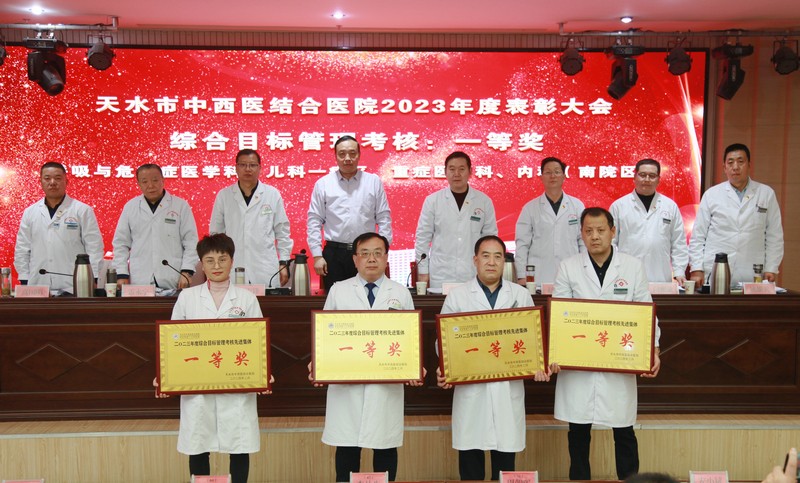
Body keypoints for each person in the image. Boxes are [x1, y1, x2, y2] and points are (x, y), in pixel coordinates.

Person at [550, 207, 661, 481]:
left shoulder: (632, 267)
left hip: (618, 361)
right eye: (588, 231)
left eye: (601, 230)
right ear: (581, 234)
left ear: (613, 231)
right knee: (578, 432)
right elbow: (559, 316)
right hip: (579, 363)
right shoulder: (569, 267)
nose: (595, 236)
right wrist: (555, 352)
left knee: (624, 431)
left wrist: (653, 350)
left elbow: (646, 313)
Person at [437, 235, 549, 481]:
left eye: (498, 257)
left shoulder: (520, 295)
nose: (491, 262)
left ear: (504, 262)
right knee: (471, 464)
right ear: (475, 260)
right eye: (485, 256)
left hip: (506, 391)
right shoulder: (458, 296)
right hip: (471, 392)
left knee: (505, 463)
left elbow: (533, 341)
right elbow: (442, 341)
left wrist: (538, 365)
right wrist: (445, 365)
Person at [165, 233, 273, 483]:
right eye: (210, 260)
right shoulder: (187, 297)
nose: (216, 266)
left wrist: (263, 372)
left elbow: (258, 340)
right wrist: (165, 373)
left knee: (239, 444)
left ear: (232, 261)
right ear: (201, 265)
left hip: (237, 383)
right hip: (198, 385)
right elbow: (172, 342)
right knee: (198, 443)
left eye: (222, 259)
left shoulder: (246, 298)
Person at [309, 232, 418, 482]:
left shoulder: (400, 293)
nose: (371, 259)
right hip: (347, 389)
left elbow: (411, 338)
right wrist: (318, 362)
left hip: (385, 387)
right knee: (347, 449)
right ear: (355, 259)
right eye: (365, 254)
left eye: (378, 253)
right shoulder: (338, 291)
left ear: (387, 258)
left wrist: (415, 365)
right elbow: (323, 336)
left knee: (385, 448)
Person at [689, 143, 784, 287]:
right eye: (730, 162)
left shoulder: (766, 193)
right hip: (716, 270)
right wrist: (696, 268)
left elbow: (774, 235)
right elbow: (698, 235)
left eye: (740, 161)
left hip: (752, 271)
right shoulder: (711, 195)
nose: (735, 167)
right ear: (724, 167)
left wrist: (771, 267)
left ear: (749, 165)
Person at [307, 136, 392, 292]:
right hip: (334, 254)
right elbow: (314, 220)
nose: (347, 158)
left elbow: (384, 218)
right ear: (335, 156)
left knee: (369, 298)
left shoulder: (373, 182)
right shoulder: (323, 184)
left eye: (352, 153)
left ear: (359, 155)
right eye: (342, 154)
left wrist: (382, 251)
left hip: (366, 252)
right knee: (336, 299)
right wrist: (317, 256)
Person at [14, 161, 104, 295]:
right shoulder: (30, 212)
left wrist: (93, 277)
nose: (52, 182)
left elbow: (94, 247)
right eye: (47, 178)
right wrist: (24, 278)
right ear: (40, 181)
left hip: (74, 285)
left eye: (57, 178)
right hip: (38, 285)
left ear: (66, 181)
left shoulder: (82, 210)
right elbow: (22, 248)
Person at [210, 149, 293, 287]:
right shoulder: (224, 196)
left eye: (252, 165)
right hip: (233, 265)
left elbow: (282, 232)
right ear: (236, 167)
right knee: (233, 300)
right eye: (243, 165)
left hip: (265, 267)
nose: (248, 169)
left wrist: (283, 262)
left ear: (260, 168)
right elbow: (216, 234)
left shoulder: (272, 194)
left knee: (265, 300)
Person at [415, 151, 497, 289]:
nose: (456, 174)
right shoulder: (433, 201)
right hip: (441, 274)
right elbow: (422, 237)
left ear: (470, 171)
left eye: (461, 169)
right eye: (452, 169)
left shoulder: (483, 201)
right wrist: (423, 271)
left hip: (473, 272)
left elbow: (490, 240)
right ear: (445, 172)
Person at [112, 164, 199, 291]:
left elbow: (191, 241)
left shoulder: (180, 205)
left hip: (173, 278)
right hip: (140, 279)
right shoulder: (130, 207)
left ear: (163, 180)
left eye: (155, 180)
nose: (150, 185)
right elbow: (121, 244)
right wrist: (121, 273)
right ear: (139, 184)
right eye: (145, 182)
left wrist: (187, 271)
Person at [609, 159, 688, 284]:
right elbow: (610, 243)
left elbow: (678, 243)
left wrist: (679, 271)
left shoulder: (670, 206)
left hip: (660, 276)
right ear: (634, 177)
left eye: (652, 176)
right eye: (642, 175)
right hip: (626, 276)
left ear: (658, 180)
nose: (647, 179)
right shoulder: (619, 206)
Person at [514, 156, 585, 286]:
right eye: (548, 172)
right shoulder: (530, 208)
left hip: (573, 274)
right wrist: (521, 275)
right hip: (539, 276)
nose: (553, 176)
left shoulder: (577, 206)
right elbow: (522, 244)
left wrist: (586, 270)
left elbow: (583, 242)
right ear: (541, 177)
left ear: (564, 176)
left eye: (557, 172)